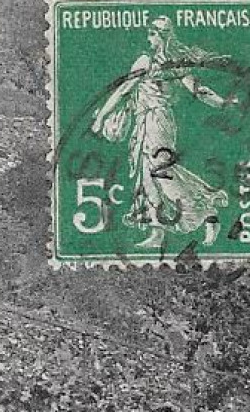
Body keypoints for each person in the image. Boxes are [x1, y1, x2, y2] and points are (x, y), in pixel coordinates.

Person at [92, 18, 234, 249]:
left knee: (161, 172)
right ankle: (157, 234)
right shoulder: (168, 62)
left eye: (152, 33)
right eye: (149, 33)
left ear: (162, 35)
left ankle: (208, 211)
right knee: (146, 176)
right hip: (145, 121)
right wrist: (222, 103)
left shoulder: (149, 61)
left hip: (156, 121)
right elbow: (199, 91)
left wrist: (100, 118)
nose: (149, 38)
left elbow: (123, 91)